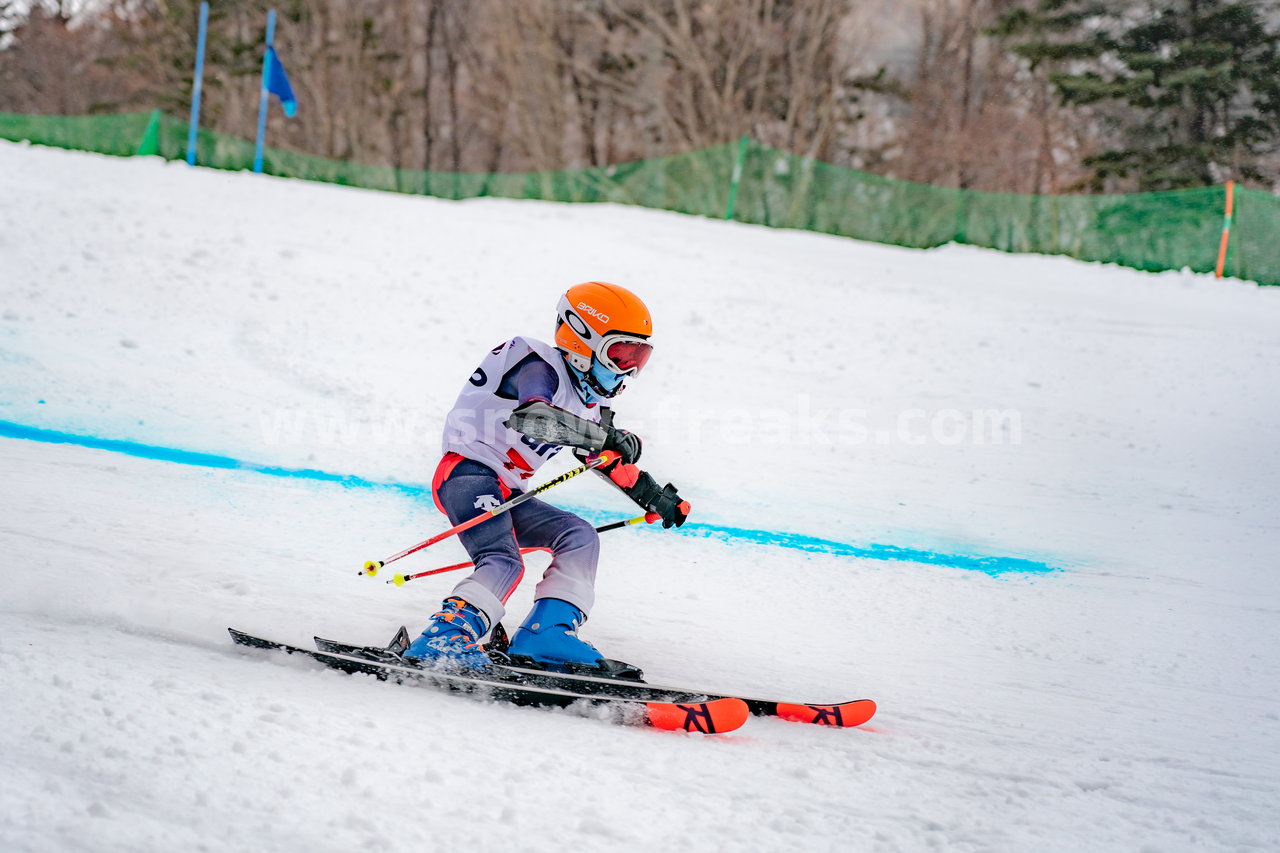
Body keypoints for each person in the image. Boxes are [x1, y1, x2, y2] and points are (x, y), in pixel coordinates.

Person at [403, 281, 691, 673]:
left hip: (509, 490)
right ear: (580, 339)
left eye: (638, 357)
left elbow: (607, 459)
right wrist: (608, 437)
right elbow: (535, 418)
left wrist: (656, 498)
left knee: (579, 535)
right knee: (502, 560)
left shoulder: (593, 405)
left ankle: (546, 634)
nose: (628, 369)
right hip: (466, 474)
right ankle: (445, 636)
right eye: (620, 353)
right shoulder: (537, 364)